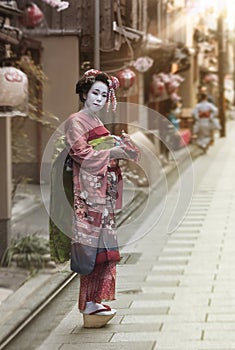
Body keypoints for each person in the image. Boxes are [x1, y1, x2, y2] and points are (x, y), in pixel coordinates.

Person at [50, 69, 140, 328]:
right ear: (84, 94)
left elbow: (102, 150)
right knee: (90, 248)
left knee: (104, 248)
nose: (99, 98)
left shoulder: (95, 122)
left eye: (103, 94)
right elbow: (81, 153)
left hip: (102, 190)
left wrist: (121, 147)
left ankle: (96, 300)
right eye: (95, 93)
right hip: (88, 192)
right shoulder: (76, 120)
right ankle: (88, 303)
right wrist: (113, 151)